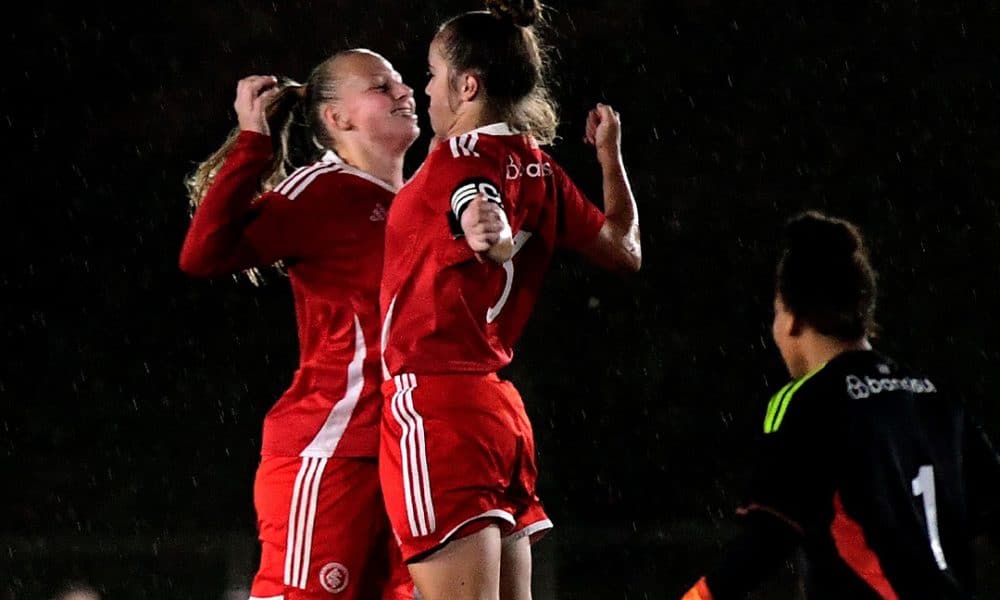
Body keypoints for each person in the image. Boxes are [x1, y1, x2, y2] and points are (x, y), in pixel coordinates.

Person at [377, 1, 642, 599]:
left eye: (431, 73)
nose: (424, 88)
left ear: (467, 85)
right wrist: (610, 159)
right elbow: (626, 251)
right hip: (497, 413)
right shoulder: (542, 169)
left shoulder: (460, 160)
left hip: (436, 406)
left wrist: (483, 223)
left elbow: (477, 199)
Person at [179, 48, 419, 600]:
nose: (404, 93)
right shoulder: (320, 191)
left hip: (406, 448)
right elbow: (204, 254)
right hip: (330, 445)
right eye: (381, 87)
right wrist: (252, 144)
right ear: (338, 119)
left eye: (404, 82)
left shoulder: (425, 197)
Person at [680, 210, 1000, 600]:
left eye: (776, 312)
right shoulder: (934, 395)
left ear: (795, 318)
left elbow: (767, 539)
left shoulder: (808, 401)